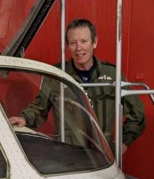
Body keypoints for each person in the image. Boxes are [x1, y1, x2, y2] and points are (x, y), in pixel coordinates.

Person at [9, 18, 146, 152]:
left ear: (94, 42)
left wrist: (124, 142)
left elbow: (137, 114)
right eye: (73, 43)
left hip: (102, 155)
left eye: (84, 41)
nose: (79, 48)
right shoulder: (57, 74)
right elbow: (40, 107)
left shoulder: (112, 74)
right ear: (67, 46)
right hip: (68, 154)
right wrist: (24, 118)